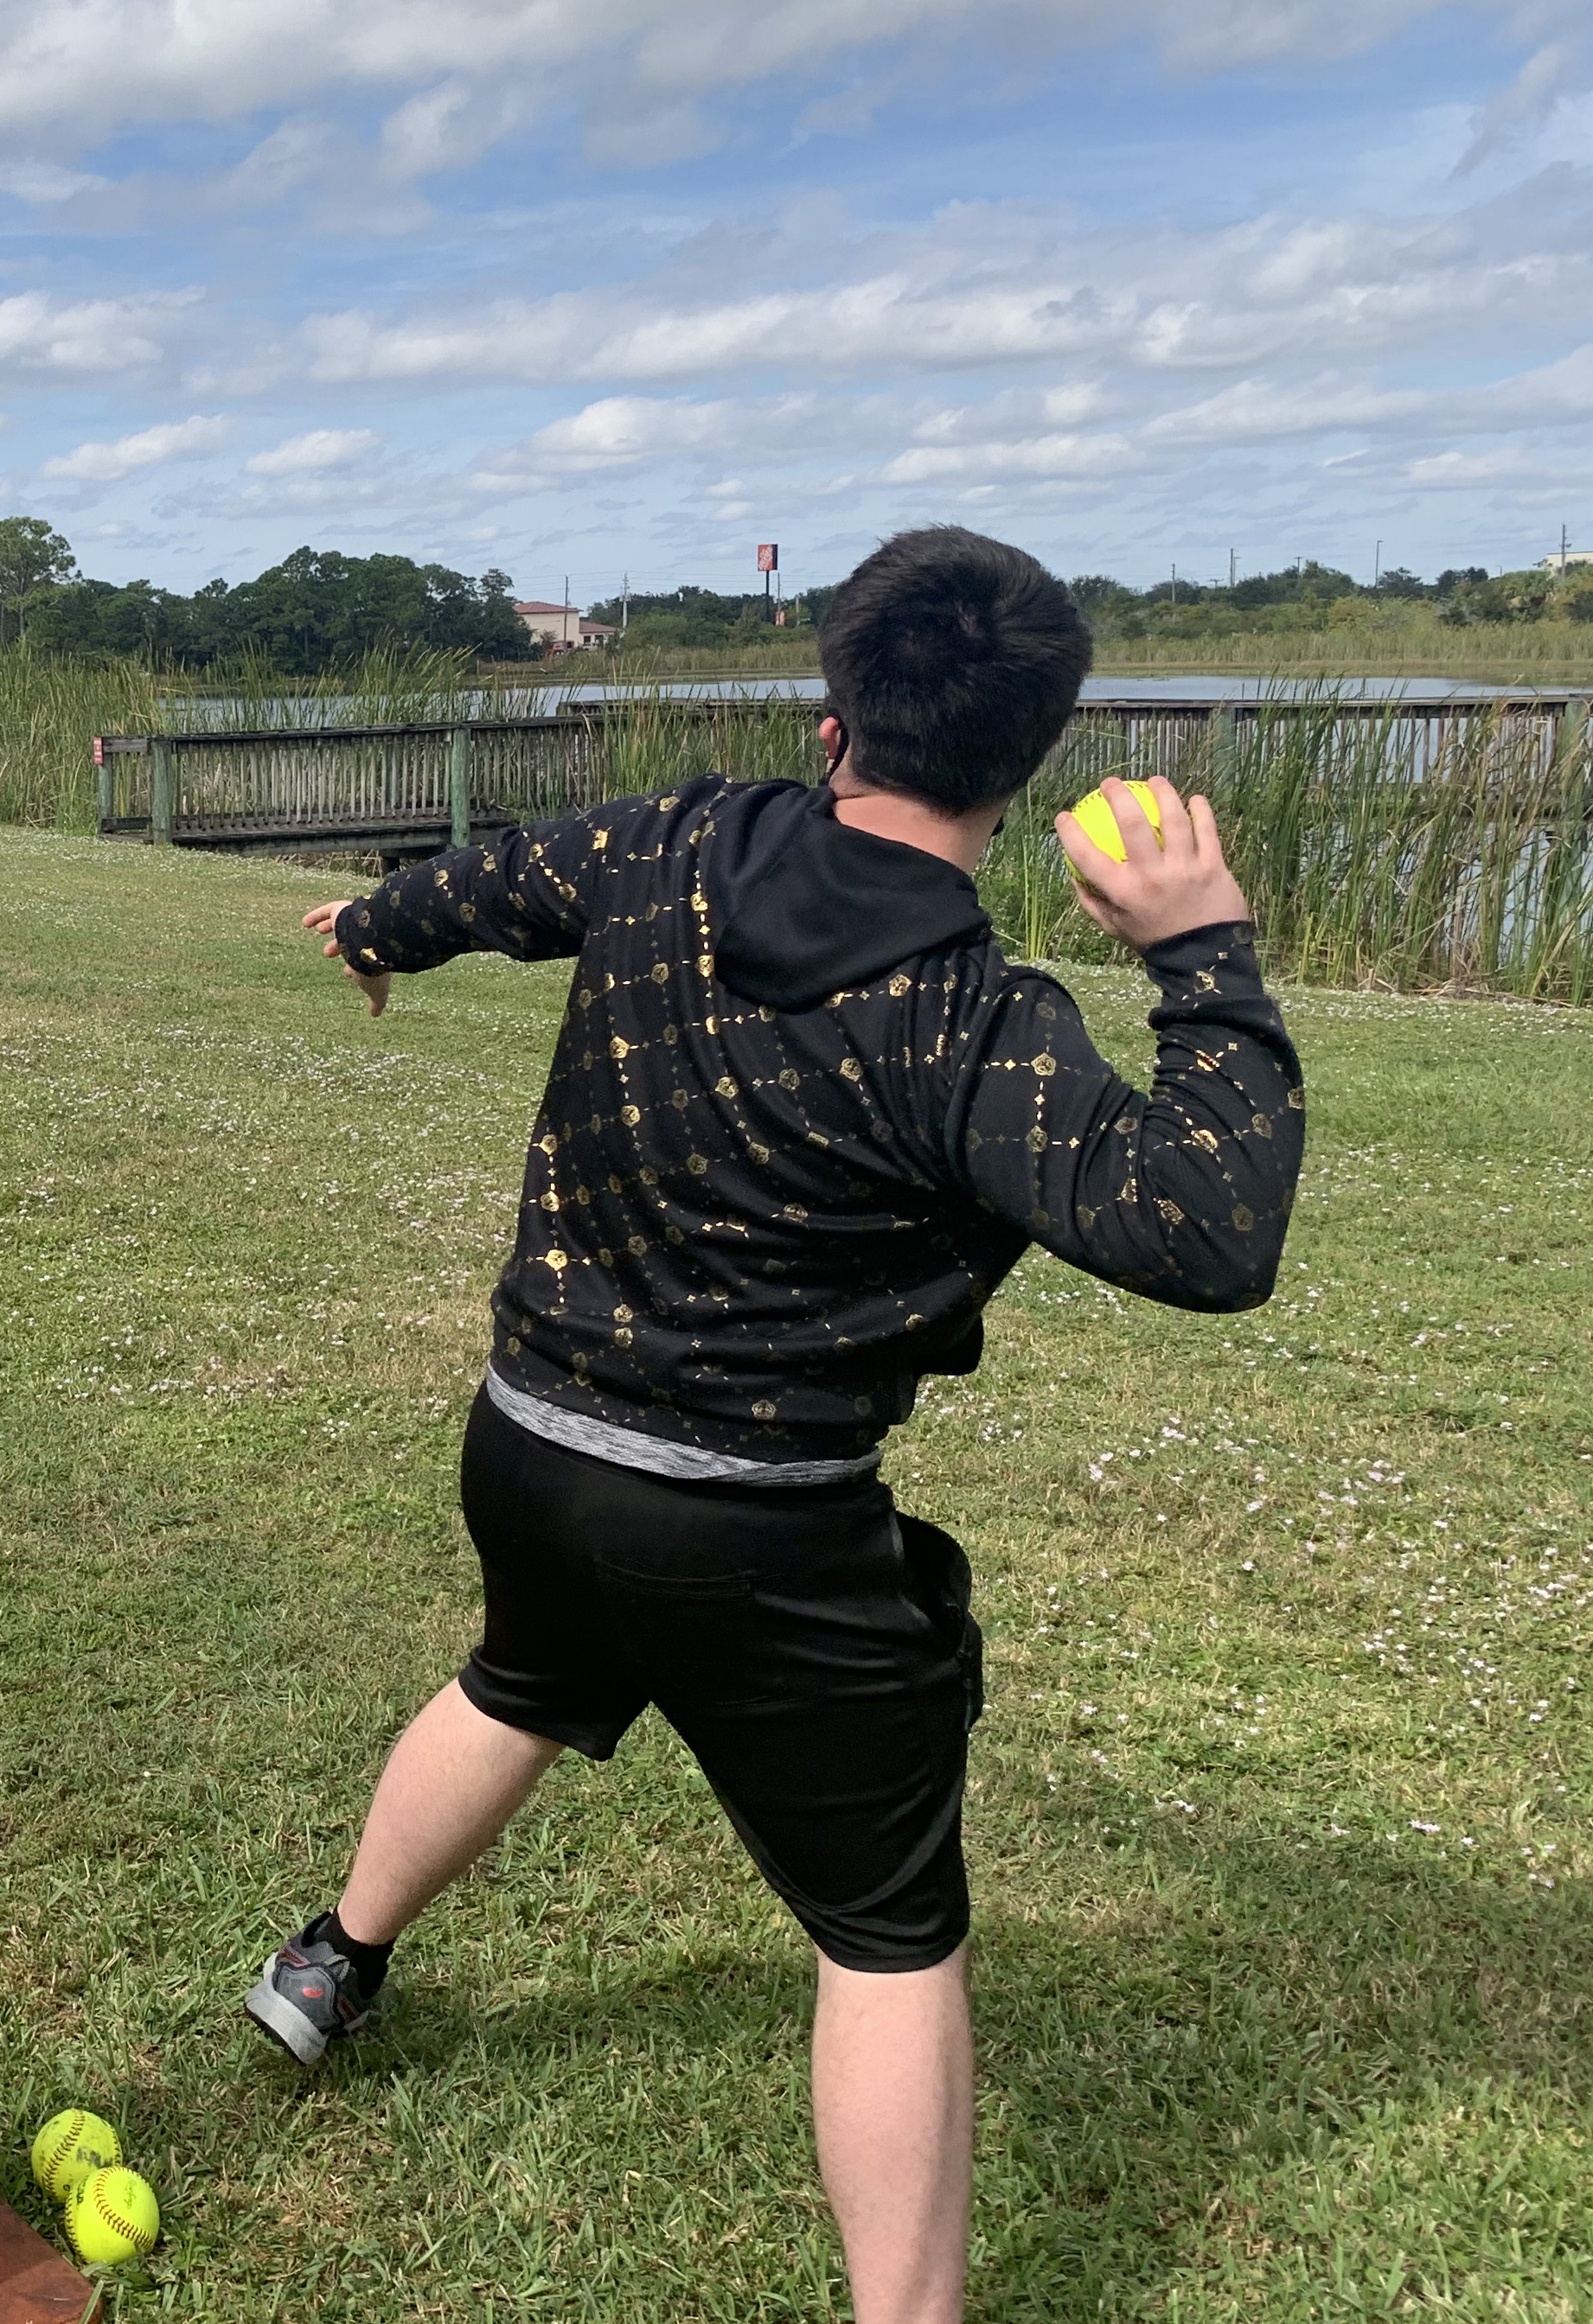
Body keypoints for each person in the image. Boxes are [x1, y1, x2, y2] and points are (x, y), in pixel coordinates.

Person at [239, 527, 1305, 2324]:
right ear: (1025, 763)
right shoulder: (978, 1023)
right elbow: (1207, 1228)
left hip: (533, 1441)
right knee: (891, 1934)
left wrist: (372, 924)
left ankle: (333, 1961)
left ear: (835, 714)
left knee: (525, 1677)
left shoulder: (674, 844)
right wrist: (1203, 955)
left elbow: (498, 880)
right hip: (753, 1524)